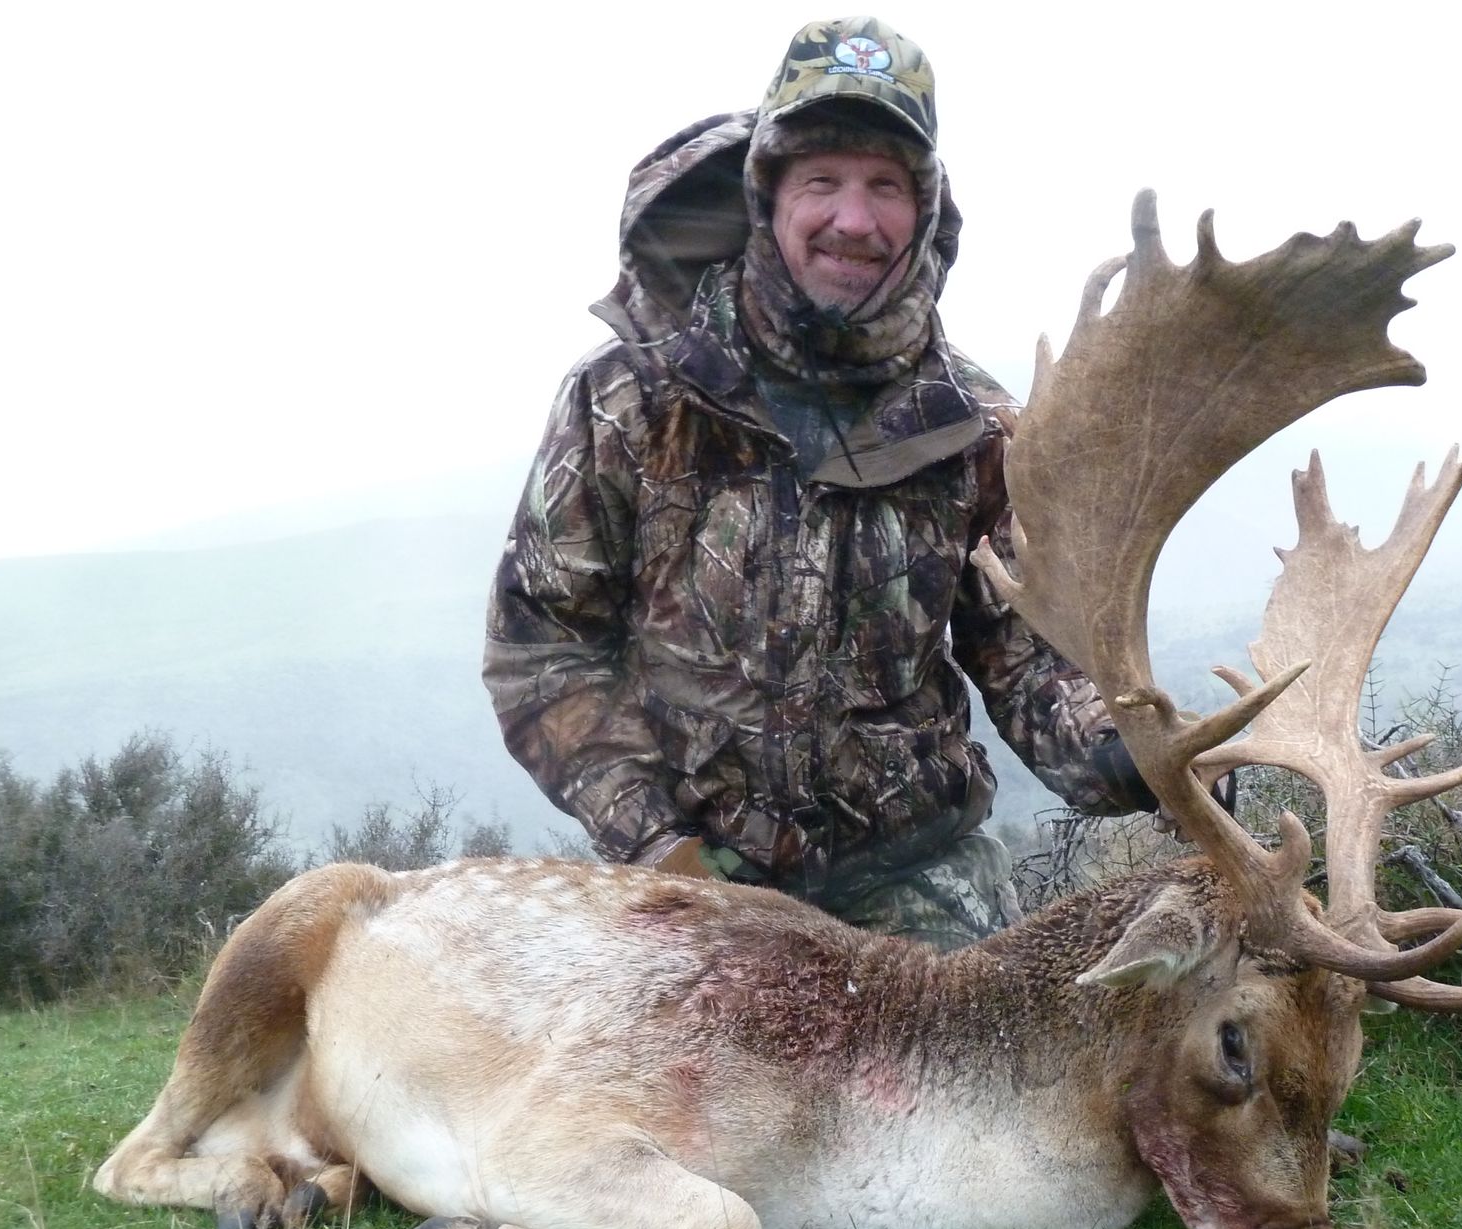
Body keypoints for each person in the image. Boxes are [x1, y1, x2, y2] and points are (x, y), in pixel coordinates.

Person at [482, 17, 1155, 949]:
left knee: (978, 1085)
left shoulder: (975, 426)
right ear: (768, 195)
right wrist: (654, 843)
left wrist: (1126, 748)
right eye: (823, 180)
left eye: (886, 185)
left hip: (918, 881)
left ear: (924, 211)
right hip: (686, 882)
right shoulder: (628, 397)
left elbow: (1025, 651)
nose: (854, 219)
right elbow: (542, 650)